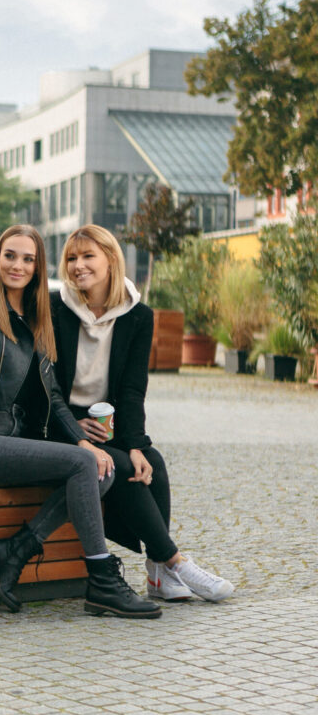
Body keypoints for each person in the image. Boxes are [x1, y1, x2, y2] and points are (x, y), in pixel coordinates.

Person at [0, 225, 161, 619]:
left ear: (38, 268)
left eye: (28, 259)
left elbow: (53, 397)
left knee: (100, 468)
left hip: (12, 438)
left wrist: (85, 443)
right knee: (87, 463)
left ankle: (14, 550)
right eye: (9, 255)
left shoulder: (41, 321)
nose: (17, 265)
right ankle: (102, 579)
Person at [51, 224, 234, 602]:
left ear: (110, 260)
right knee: (115, 466)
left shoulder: (138, 315)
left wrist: (134, 443)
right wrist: (74, 425)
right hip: (59, 422)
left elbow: (132, 390)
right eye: (71, 258)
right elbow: (45, 386)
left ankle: (157, 577)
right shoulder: (55, 308)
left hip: (107, 421)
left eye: (88, 256)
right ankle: (174, 562)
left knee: (150, 462)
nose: (77, 266)